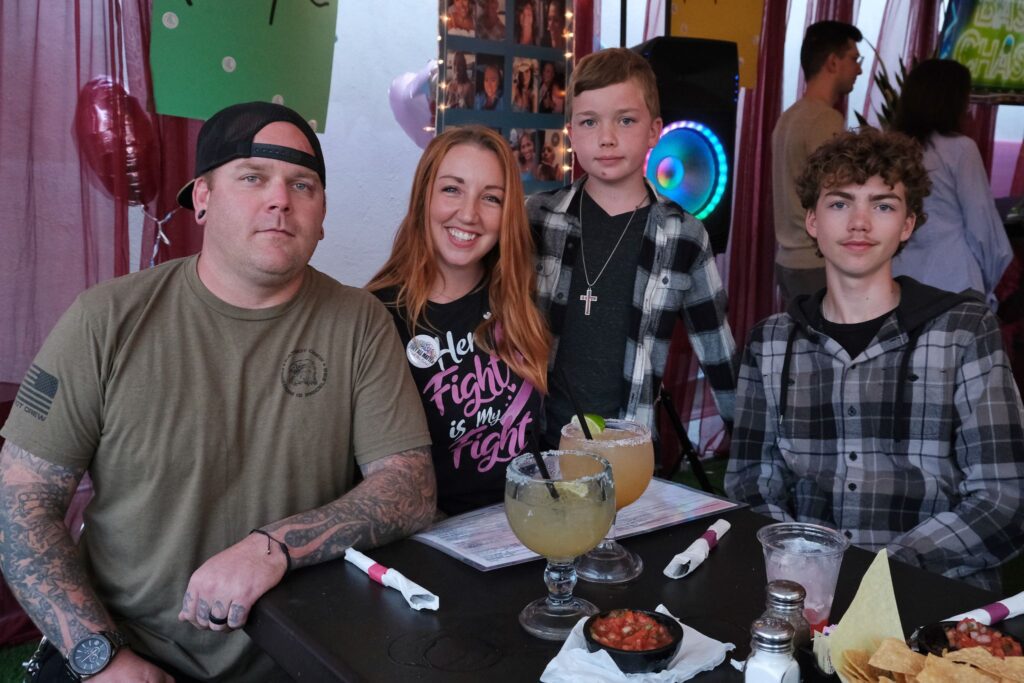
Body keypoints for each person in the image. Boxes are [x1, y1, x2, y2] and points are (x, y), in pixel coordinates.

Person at [0, 102, 436, 681]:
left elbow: (409, 487)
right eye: (252, 177)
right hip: (127, 647)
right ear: (202, 198)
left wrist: (274, 546)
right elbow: (21, 504)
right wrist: (101, 659)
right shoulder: (104, 320)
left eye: (302, 185)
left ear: (322, 215)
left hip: (295, 653)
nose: (280, 200)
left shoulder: (359, 322)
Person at [726, 127, 1024, 591]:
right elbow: (750, 483)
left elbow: (1003, 497)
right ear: (812, 221)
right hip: (806, 593)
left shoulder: (964, 331)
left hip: (933, 593)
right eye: (840, 204)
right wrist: (806, 563)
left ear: (907, 225)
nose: (859, 223)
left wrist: (884, 570)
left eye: (883, 206)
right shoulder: (771, 342)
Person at [527, 47, 737, 449]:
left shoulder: (684, 235)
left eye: (625, 120)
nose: (606, 138)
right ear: (571, 133)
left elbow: (719, 353)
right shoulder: (535, 218)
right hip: (538, 446)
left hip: (628, 451)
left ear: (655, 131)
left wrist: (753, 454)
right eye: (589, 122)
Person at [367, 126, 550, 516]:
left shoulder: (520, 299)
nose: (469, 214)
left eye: (491, 198)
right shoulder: (375, 316)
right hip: (427, 535)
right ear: (424, 197)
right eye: (452, 189)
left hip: (528, 525)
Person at [891, 59, 1012, 311]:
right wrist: (987, 284)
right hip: (955, 278)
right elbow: (982, 226)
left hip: (900, 278)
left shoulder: (891, 149)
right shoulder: (961, 149)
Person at [772, 21, 863, 306]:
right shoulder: (825, 119)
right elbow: (839, 192)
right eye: (854, 59)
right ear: (833, 62)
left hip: (788, 260)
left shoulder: (789, 117)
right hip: (814, 262)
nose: (859, 70)